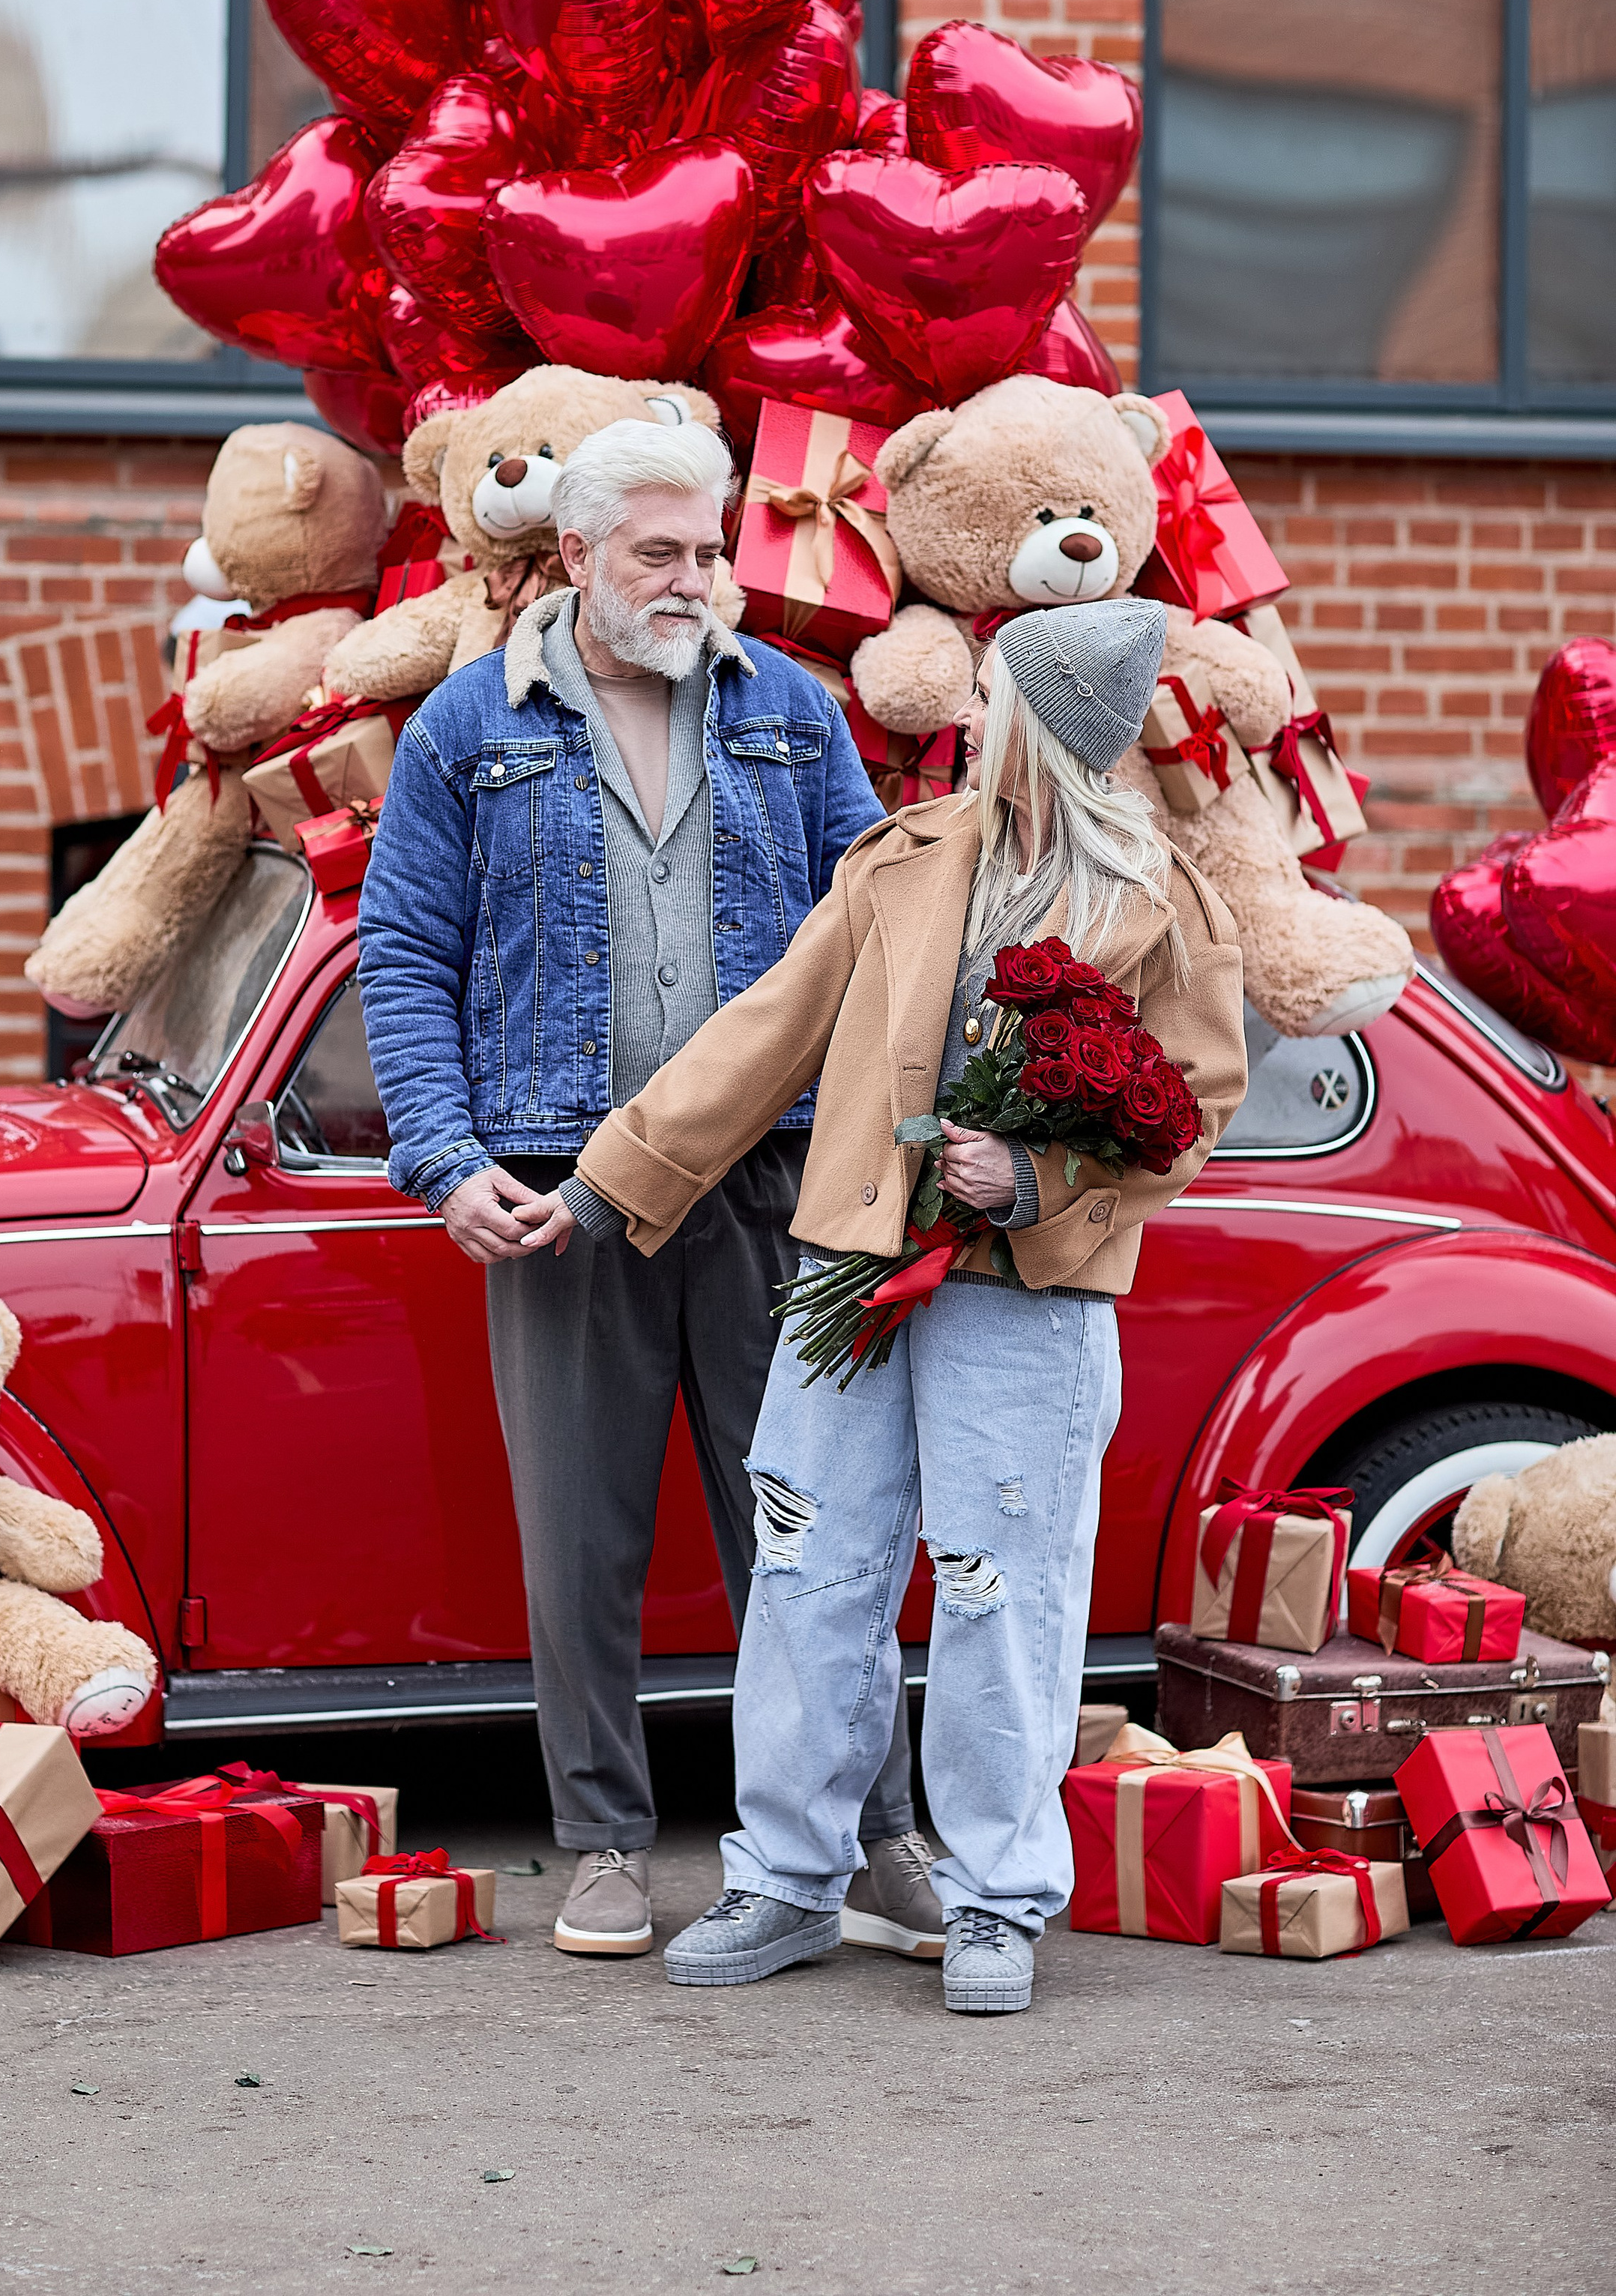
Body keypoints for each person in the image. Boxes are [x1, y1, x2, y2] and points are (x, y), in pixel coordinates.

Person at [513, 597, 1249, 2013]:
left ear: (1046, 726)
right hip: (849, 1270)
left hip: (1020, 1302)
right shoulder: (900, 862)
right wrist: (614, 1180)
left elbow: (1193, 1110)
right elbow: (763, 1033)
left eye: (996, 697)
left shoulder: (1169, 900)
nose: (971, 717)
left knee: (999, 1594)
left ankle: (997, 1904)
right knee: (803, 1572)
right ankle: (788, 1880)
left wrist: (1035, 1178)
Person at [357, 417, 923, 1960]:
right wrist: (448, 1160)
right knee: (580, 1542)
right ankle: (602, 1843)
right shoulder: (467, 729)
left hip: (774, 1192)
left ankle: (866, 1838)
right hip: (549, 1191)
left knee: (812, 1536)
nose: (690, 581)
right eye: (656, 553)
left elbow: (883, 946)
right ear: (573, 559)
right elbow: (402, 959)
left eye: (707, 549)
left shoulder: (796, 718)